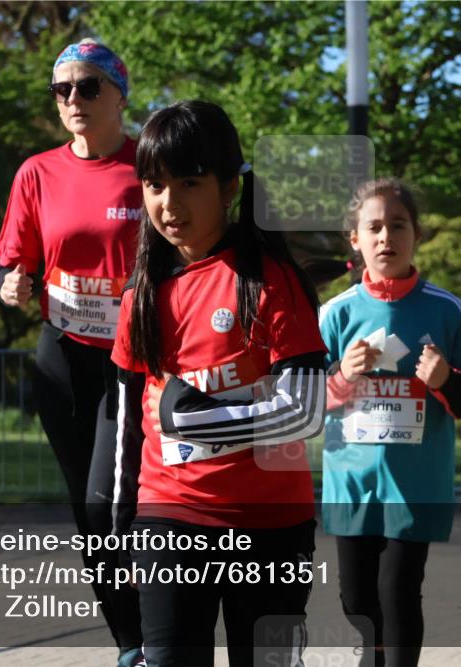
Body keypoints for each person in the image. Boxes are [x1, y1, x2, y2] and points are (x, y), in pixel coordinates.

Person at [110, 100, 326, 667]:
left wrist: (202, 420)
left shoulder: (271, 281)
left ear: (229, 185)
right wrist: (120, 530)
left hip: (272, 525)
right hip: (169, 516)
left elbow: (305, 412)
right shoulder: (140, 296)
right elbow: (125, 428)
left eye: (189, 182)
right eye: (154, 184)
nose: (168, 202)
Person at [0, 38, 144, 664]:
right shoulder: (37, 172)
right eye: (62, 90)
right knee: (87, 510)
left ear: (118, 94)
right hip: (61, 355)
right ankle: (132, 642)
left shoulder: (147, 165)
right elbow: (11, 264)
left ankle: (158, 630)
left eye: (88, 87)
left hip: (130, 359)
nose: (73, 99)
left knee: (114, 503)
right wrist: (9, 285)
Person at [319, 178, 461, 667]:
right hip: (350, 482)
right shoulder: (335, 312)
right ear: (355, 239)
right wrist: (342, 376)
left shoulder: (446, 309)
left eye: (398, 226)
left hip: (415, 482)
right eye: (373, 227)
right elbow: (300, 397)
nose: (385, 238)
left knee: (398, 591)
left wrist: (444, 380)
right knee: (356, 599)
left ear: (417, 235)